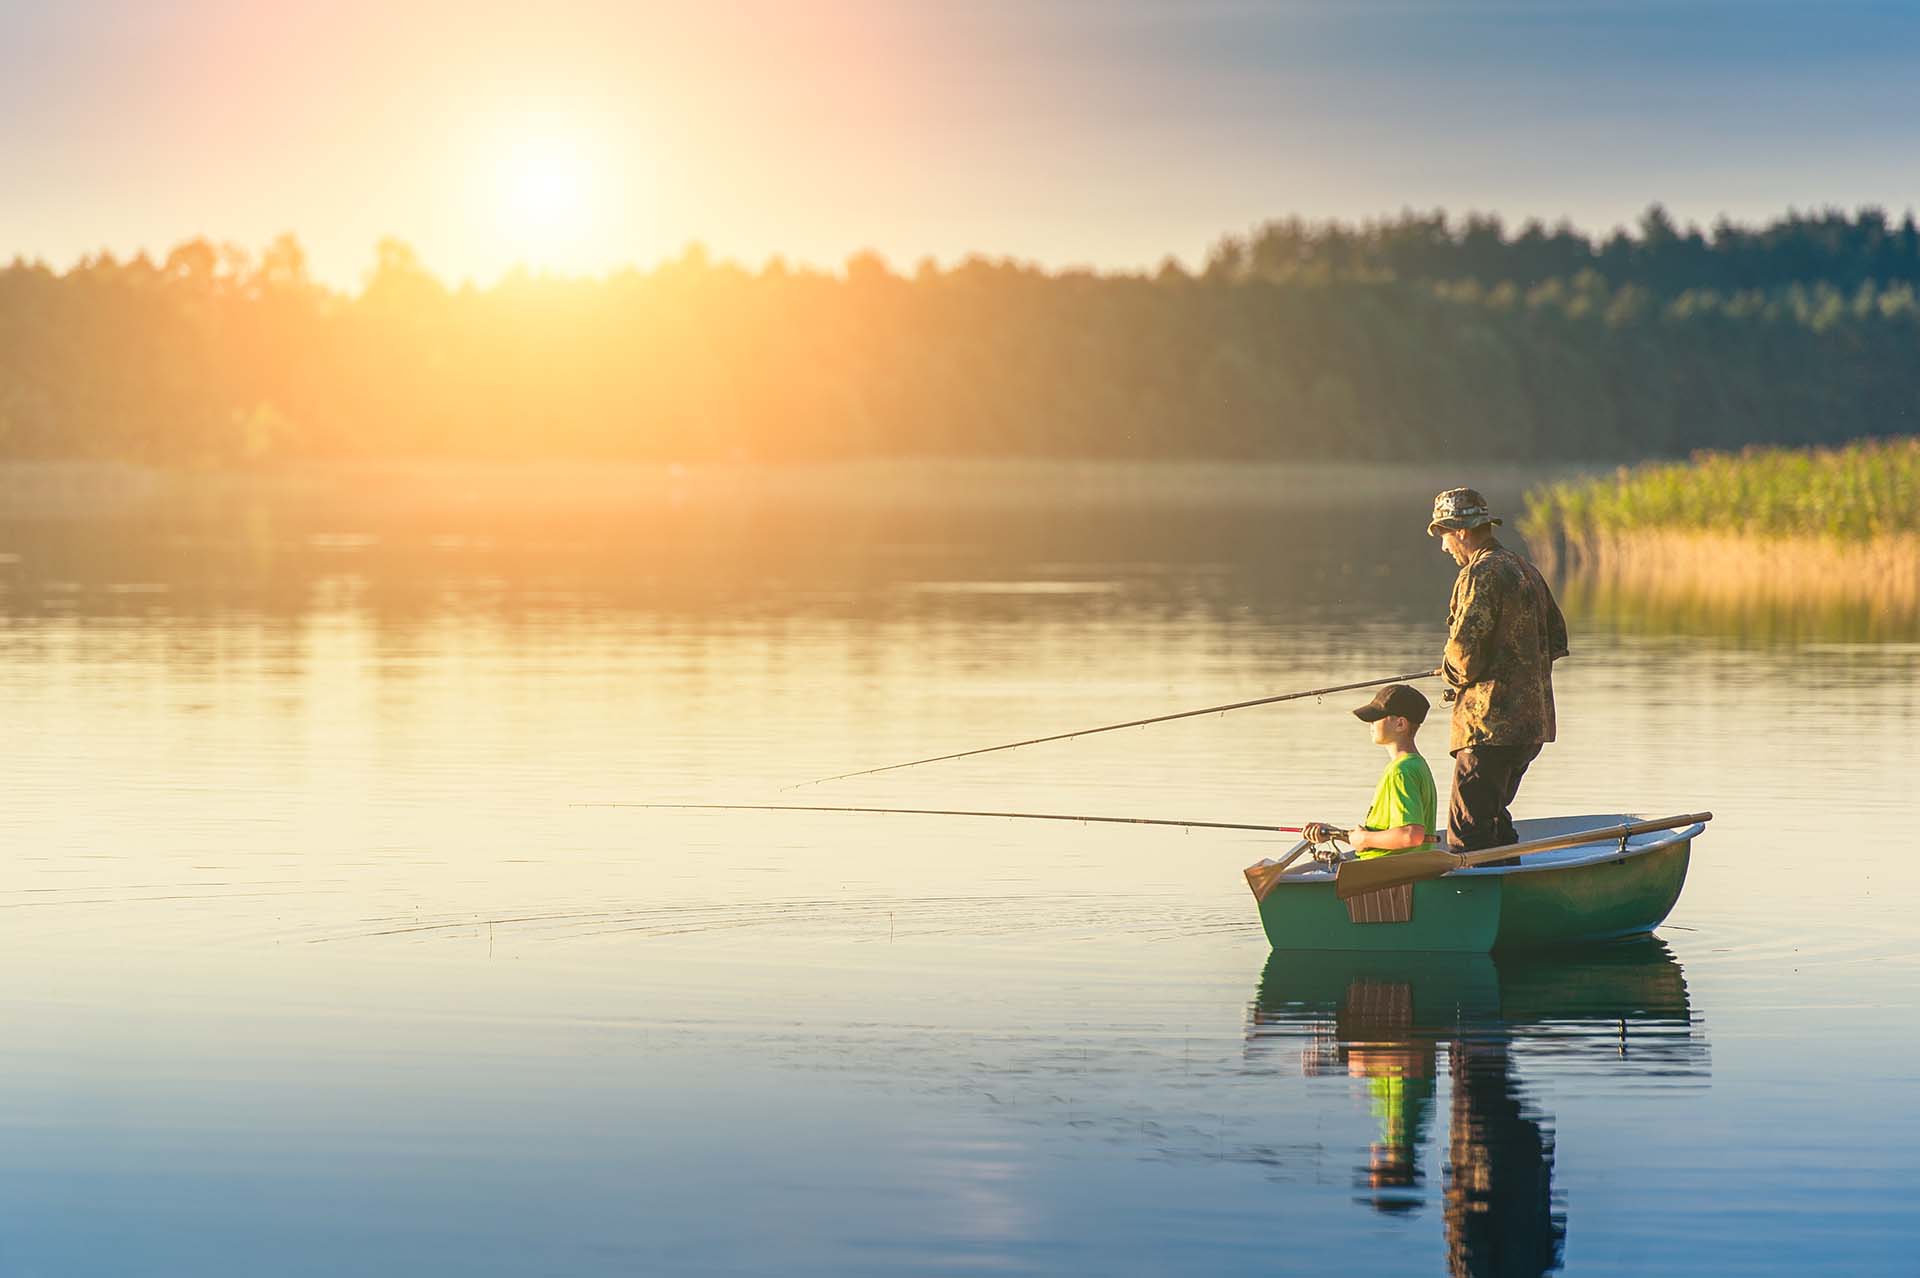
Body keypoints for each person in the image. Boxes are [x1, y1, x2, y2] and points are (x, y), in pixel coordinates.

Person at [1428, 487, 1569, 855]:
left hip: (1488, 729)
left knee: (1468, 836)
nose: (1444, 548)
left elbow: (1463, 656)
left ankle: (1473, 906)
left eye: (1444, 535)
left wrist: (1447, 671)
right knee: (1493, 822)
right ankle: (1511, 898)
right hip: (1530, 728)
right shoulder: (1526, 569)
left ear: (1461, 530)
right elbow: (1556, 641)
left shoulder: (1480, 572)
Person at [1302, 683, 1437, 860]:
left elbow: (1411, 835)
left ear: (1400, 724)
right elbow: (1387, 837)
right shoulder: (1417, 765)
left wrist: (1364, 838)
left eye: (1376, 717)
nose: (1370, 724)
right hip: (1395, 873)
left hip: (1390, 880)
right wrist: (1335, 833)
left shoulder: (1401, 771)